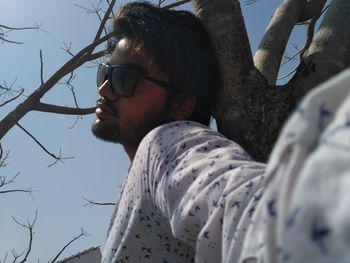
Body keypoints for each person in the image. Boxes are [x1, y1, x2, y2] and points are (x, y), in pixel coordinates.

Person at [92, 1, 350, 263]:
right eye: (105, 73)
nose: (103, 89)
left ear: (181, 105)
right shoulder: (140, 177)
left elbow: (242, 203)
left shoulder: (165, 144)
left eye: (123, 78)